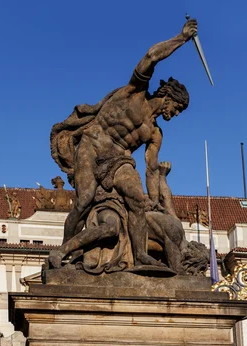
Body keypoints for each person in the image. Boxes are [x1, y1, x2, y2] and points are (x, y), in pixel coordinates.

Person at [49, 19, 198, 269]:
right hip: (93, 145)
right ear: (168, 97)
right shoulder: (135, 92)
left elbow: (151, 170)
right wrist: (181, 38)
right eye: (178, 108)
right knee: (84, 201)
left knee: (136, 199)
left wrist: (156, 201)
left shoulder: (155, 133)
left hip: (119, 160)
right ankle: (65, 252)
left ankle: (140, 256)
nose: (177, 113)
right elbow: (151, 56)